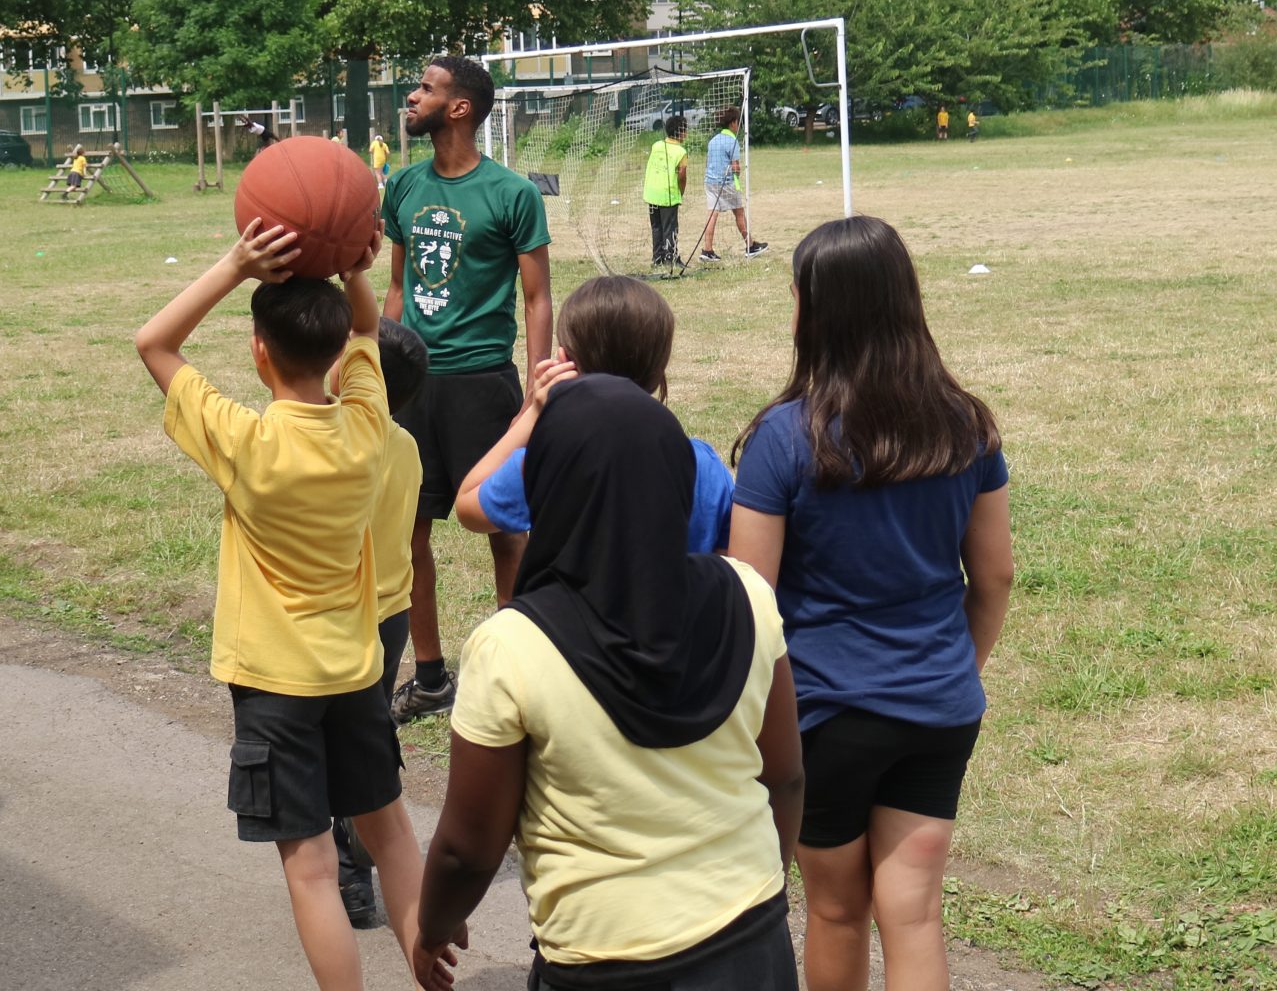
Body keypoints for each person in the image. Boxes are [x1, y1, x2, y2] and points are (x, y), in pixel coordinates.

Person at [412, 377, 804, 991]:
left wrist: (433, 926)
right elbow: (785, 777)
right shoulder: (748, 595)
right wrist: (757, 889)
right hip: (752, 942)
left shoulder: (512, 646)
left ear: (548, 485)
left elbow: (469, 847)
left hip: (602, 958)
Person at [134, 223, 425, 989]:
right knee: (392, 835)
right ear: (337, 356)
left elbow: (154, 343)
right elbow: (367, 331)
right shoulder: (368, 428)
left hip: (273, 685)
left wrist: (236, 264)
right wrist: (355, 271)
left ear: (259, 353)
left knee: (313, 869)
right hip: (357, 671)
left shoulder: (247, 445)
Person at [727, 217, 1014, 991]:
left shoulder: (784, 439)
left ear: (814, 310)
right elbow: (994, 579)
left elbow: (749, 599)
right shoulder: (966, 426)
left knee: (835, 911)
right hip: (940, 706)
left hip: (825, 714)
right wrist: (954, 668)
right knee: (914, 915)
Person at [382, 55, 554, 721]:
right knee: (408, 534)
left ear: (459, 108)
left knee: (507, 532)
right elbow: (396, 288)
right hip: (414, 388)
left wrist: (537, 389)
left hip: (484, 383)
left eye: (425, 88)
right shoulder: (403, 185)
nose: (412, 96)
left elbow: (536, 298)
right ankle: (430, 678)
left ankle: (516, 678)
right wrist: (378, 372)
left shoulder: (512, 194)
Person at [454, 276, 736, 555]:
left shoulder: (549, 462)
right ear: (660, 366)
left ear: (565, 363)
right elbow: (729, 568)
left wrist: (534, 413)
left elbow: (468, 505)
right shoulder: (703, 467)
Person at [334, 317, 430, 931]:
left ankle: (347, 873)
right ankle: (357, 872)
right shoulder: (408, 446)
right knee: (366, 737)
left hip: (343, 619)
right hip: (391, 615)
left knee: (334, 745)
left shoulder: (339, 444)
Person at [696, 104, 768, 264]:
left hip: (710, 182)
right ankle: (750, 245)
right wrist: (738, 172)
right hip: (726, 183)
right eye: (737, 123)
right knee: (739, 213)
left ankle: (707, 250)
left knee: (712, 215)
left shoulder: (713, 140)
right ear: (733, 123)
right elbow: (735, 167)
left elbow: (708, 162)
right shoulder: (732, 141)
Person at [643, 114, 690, 269]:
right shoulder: (680, 152)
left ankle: (657, 258)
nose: (686, 133)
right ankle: (670, 258)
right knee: (670, 227)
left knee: (656, 227)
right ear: (680, 132)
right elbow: (682, 175)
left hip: (652, 193)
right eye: (685, 130)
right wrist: (681, 191)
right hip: (667, 195)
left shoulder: (656, 145)